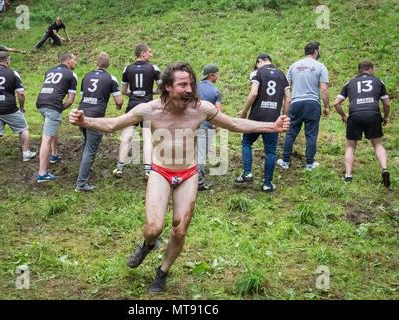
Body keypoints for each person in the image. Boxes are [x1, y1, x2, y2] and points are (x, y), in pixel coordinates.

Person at [69, 62, 290, 294]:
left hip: (188, 173)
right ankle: (148, 244)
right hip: (161, 171)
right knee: (154, 227)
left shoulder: (200, 108)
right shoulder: (149, 110)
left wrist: (271, 126)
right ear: (166, 87)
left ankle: (162, 272)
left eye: (191, 85)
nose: (189, 90)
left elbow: (234, 124)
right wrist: (86, 121)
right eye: (183, 85)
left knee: (179, 229)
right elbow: (113, 124)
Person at [236, 54, 291, 191]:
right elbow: (288, 99)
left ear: (259, 61)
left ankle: (247, 173)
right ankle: (267, 184)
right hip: (274, 119)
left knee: (247, 142)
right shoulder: (282, 75)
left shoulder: (257, 72)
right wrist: (284, 116)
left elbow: (253, 93)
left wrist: (244, 111)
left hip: (256, 116)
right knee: (271, 151)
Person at [333, 60, 391, 187]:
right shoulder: (378, 81)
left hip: (355, 115)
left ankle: (348, 176)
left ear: (359, 70)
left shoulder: (350, 82)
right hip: (373, 114)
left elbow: (336, 103)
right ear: (370, 70)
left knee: (350, 146)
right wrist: (385, 118)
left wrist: (344, 116)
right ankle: (384, 169)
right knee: (377, 144)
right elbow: (386, 103)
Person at [0, 52, 36, 172]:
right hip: (9, 108)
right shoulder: (13, 73)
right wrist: (21, 107)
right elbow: (21, 93)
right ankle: (26, 153)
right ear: (7, 61)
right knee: (23, 128)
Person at [277, 42, 330, 170]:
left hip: (296, 103)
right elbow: (323, 89)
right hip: (312, 104)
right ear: (316, 51)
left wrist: (286, 103)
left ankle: (285, 161)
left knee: (291, 133)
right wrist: (327, 106)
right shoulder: (320, 67)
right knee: (311, 134)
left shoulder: (294, 66)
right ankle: (310, 163)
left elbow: (285, 86)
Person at [75, 52, 123, 192]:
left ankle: (86, 168)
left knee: (86, 143)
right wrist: (118, 106)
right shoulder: (111, 78)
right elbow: (119, 101)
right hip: (96, 118)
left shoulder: (86, 76)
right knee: (90, 150)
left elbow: (82, 96)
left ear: (96, 64)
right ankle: (81, 184)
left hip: (81, 114)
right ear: (109, 65)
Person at [112, 44, 162, 180]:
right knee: (147, 138)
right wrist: (149, 92)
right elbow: (162, 89)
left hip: (133, 106)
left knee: (126, 136)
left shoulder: (127, 68)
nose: (151, 55)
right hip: (147, 107)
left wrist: (134, 93)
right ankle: (147, 171)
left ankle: (119, 168)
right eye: (150, 52)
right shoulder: (153, 68)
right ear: (143, 53)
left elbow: (123, 90)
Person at [36, 52, 77, 182]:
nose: (76, 62)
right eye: (74, 60)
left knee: (53, 125)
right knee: (46, 139)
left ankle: (54, 154)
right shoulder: (71, 74)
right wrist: (60, 109)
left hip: (40, 103)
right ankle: (42, 173)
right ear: (68, 61)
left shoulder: (50, 70)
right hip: (53, 105)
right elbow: (70, 100)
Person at [196, 63, 222, 191]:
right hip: (205, 126)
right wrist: (216, 126)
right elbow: (218, 113)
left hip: (190, 125)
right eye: (217, 74)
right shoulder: (215, 91)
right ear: (212, 75)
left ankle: (185, 179)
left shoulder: (194, 87)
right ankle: (199, 183)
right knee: (201, 154)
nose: (217, 76)